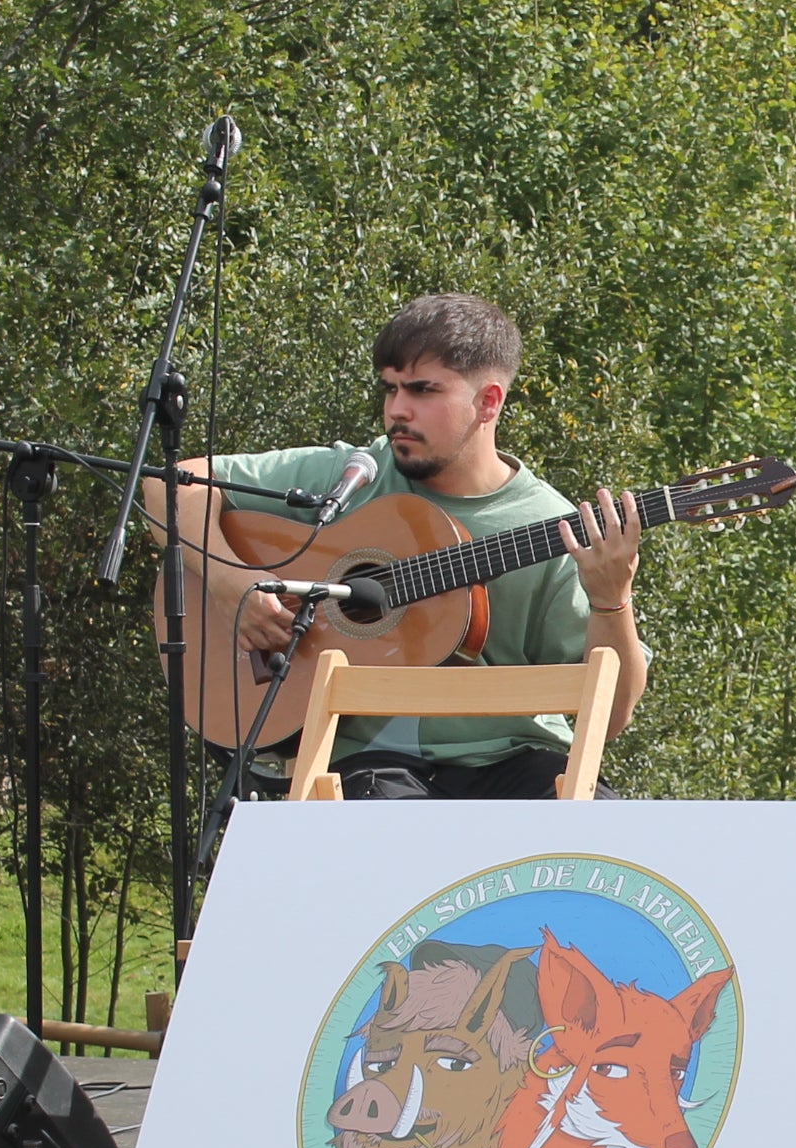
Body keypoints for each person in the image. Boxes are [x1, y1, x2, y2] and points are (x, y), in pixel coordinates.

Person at [181, 292, 647, 799]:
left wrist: (611, 599)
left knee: (603, 830)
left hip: (515, 759)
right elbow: (176, 482)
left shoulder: (551, 526)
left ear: (488, 401)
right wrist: (233, 583)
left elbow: (610, 720)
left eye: (423, 391)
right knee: (376, 838)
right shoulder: (359, 475)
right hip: (367, 764)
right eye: (391, 389)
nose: (397, 411)